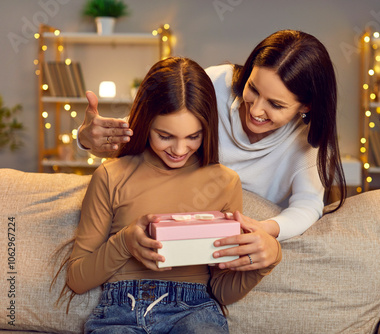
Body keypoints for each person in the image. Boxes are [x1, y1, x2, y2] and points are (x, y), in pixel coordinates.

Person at [77, 30, 346, 266]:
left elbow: (308, 207)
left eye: (275, 105)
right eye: (252, 89)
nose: (255, 109)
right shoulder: (218, 83)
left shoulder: (309, 143)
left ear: (306, 106)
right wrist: (87, 139)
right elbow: (150, 132)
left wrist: (262, 230)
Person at [66, 57, 281, 333]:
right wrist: (125, 243)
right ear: (145, 123)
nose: (180, 150)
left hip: (194, 313)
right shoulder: (111, 176)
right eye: (165, 135)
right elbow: (77, 278)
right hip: (119, 314)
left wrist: (269, 258)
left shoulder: (224, 182)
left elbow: (222, 290)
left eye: (194, 136)